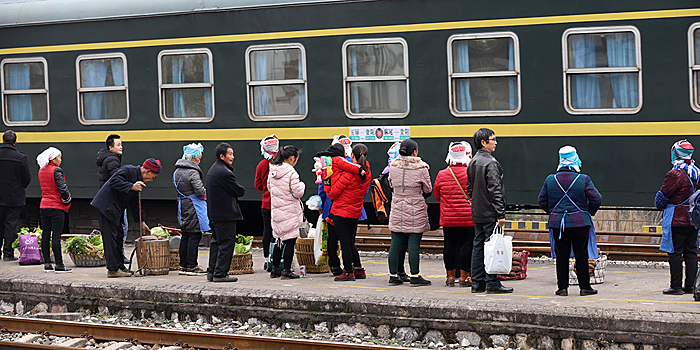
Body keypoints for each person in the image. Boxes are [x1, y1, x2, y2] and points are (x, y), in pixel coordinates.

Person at [538, 146, 602, 296]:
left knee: (562, 255)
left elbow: (541, 200)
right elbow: (596, 198)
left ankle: (562, 288)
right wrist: (587, 212)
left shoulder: (550, 179)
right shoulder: (583, 179)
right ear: (575, 158)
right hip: (580, 223)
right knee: (581, 254)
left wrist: (554, 212)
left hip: (558, 223)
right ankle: (585, 288)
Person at [91, 158, 161, 277]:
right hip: (106, 207)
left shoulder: (137, 180)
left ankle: (120, 266)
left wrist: (141, 222)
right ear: (147, 172)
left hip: (115, 209)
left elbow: (135, 203)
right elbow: (113, 181)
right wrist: (131, 186)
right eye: (153, 177)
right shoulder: (128, 170)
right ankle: (112, 270)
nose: (151, 180)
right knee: (110, 239)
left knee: (118, 237)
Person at [466, 128, 512, 294]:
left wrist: (478, 200)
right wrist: (500, 214)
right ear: (484, 142)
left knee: (478, 246)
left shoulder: (472, 162)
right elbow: (495, 189)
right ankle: (492, 282)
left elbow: (469, 188)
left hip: (478, 211)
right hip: (490, 212)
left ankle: (477, 282)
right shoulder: (491, 163)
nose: (496, 142)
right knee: (492, 247)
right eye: (493, 139)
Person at [315, 135, 366, 276]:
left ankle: (336, 267)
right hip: (354, 207)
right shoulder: (360, 166)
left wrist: (322, 201)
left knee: (333, 239)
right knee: (350, 241)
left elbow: (327, 189)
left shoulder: (331, 165)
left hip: (336, 207)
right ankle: (358, 267)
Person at [655, 140, 699, 295]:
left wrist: (659, 203)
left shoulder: (675, 174)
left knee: (675, 253)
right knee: (691, 253)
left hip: (676, 219)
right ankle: (691, 286)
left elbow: (662, 196)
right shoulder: (697, 172)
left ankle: (676, 287)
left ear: (675, 153)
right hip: (693, 219)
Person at [387, 139, 432, 286]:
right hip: (415, 207)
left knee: (395, 243)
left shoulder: (393, 166)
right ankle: (415, 276)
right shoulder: (421, 168)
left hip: (398, 204)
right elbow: (428, 189)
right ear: (415, 152)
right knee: (413, 244)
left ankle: (393, 275)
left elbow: (391, 184)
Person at [327, 143, 371, 281]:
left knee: (345, 242)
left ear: (352, 156)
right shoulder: (367, 172)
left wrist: (327, 181)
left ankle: (348, 272)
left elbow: (332, 193)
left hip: (341, 212)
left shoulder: (348, 174)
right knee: (350, 242)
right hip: (355, 211)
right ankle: (358, 269)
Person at [434, 141, 475, 287]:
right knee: (466, 245)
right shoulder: (471, 173)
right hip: (467, 218)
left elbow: (437, 196)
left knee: (449, 245)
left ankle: (450, 277)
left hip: (448, 218)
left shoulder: (442, 174)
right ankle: (464, 277)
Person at [206, 143, 246, 283]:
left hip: (215, 213)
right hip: (225, 214)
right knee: (226, 244)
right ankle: (221, 273)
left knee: (216, 242)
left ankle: (212, 271)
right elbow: (238, 191)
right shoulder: (224, 172)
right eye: (229, 154)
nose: (232, 157)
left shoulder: (214, 169)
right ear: (222, 156)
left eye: (232, 154)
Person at [268, 145, 305, 279]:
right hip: (289, 212)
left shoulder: (272, 171)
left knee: (278, 240)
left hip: (277, 211)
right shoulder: (291, 173)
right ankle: (286, 271)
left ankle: (275, 270)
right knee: (290, 241)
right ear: (292, 158)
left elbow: (269, 187)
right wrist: (302, 185)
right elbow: (298, 193)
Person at [173, 143, 208, 276]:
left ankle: (183, 265)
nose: (200, 158)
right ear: (194, 157)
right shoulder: (193, 172)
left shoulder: (177, 171)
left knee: (185, 235)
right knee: (195, 235)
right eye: (199, 156)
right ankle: (192, 265)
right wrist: (207, 194)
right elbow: (199, 191)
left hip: (183, 205)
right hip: (194, 206)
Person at [37, 147, 72, 273]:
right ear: (53, 158)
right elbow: (63, 189)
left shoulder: (41, 170)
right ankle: (59, 265)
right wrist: (67, 200)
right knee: (56, 236)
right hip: (56, 207)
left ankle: (47, 263)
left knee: (45, 235)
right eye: (59, 157)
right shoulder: (56, 170)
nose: (61, 160)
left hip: (44, 206)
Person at [96, 134, 130, 264]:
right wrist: (129, 186)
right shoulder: (112, 160)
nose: (121, 147)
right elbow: (116, 180)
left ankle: (117, 257)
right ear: (111, 148)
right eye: (118, 145)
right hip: (113, 200)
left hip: (109, 200)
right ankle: (118, 257)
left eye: (121, 144)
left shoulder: (109, 158)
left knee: (118, 229)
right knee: (122, 227)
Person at [0, 130, 31, 261]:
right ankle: (8, 253)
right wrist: (18, 187)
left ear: (2, 141)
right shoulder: (20, 157)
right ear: (15, 142)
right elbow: (27, 178)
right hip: (14, 197)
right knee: (10, 224)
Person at [254, 134, 279, 272]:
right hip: (279, 205)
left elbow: (257, 184)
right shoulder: (282, 164)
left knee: (267, 231)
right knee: (279, 232)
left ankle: (266, 259)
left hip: (266, 204)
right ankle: (277, 260)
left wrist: (266, 190)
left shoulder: (262, 165)